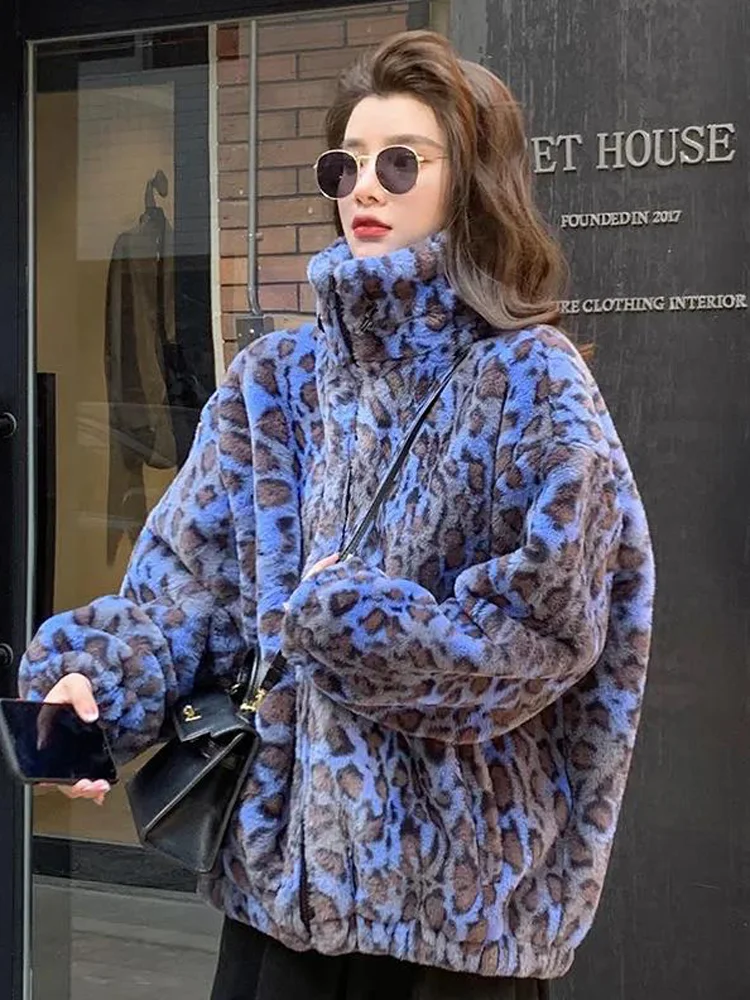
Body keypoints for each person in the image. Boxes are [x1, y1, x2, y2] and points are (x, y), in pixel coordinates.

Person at [19, 29, 654, 1000]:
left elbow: (546, 634)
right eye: (345, 164)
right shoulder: (275, 383)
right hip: (283, 902)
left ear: (472, 182)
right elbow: (183, 593)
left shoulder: (529, 380)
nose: (364, 187)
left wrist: (351, 627)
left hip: (454, 920)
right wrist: (95, 687)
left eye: (400, 162)